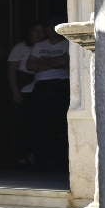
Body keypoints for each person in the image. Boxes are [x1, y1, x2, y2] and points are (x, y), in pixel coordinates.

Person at [25, 22, 71, 173]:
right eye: (48, 27)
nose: (50, 30)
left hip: (60, 85)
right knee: (41, 123)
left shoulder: (67, 44)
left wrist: (43, 62)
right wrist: (56, 62)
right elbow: (30, 65)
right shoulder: (39, 45)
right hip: (42, 87)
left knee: (59, 123)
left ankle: (60, 161)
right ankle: (42, 161)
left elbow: (67, 63)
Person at [7, 23, 44, 165]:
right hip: (24, 90)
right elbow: (11, 71)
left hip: (40, 89)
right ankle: (23, 156)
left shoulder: (45, 47)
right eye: (36, 31)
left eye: (42, 31)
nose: (39, 34)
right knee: (24, 124)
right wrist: (15, 92)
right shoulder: (20, 48)